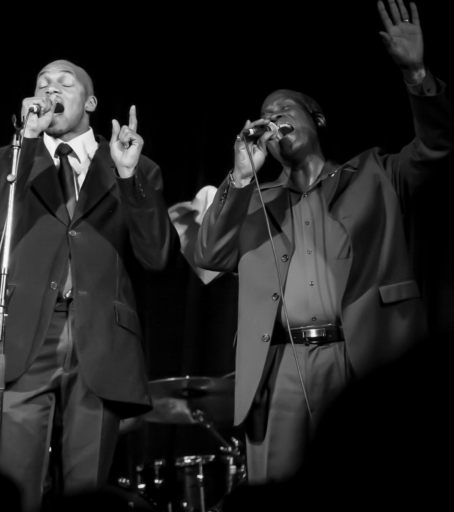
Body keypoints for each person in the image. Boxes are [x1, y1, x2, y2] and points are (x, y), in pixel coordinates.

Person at [192, 0, 451, 484]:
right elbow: (208, 255)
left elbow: (438, 149)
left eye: (284, 108)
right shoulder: (255, 203)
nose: (272, 118)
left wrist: (417, 75)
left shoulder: (375, 173)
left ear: (317, 119)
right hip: (282, 364)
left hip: (362, 355)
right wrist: (241, 176)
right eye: (265, 114)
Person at [0, 60, 173, 510]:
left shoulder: (136, 165)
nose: (50, 89)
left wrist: (128, 178)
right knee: (10, 489)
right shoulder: (8, 158)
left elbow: (155, 254)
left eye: (64, 83)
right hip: (22, 337)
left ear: (89, 102)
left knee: (86, 491)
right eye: (42, 83)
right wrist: (26, 145)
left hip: (99, 338)